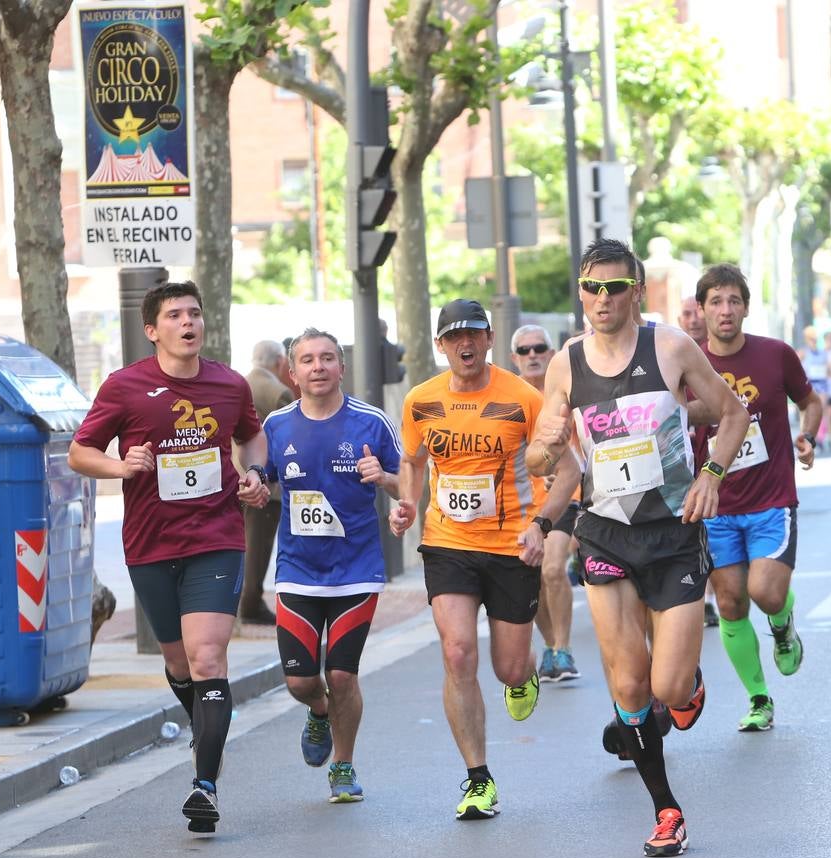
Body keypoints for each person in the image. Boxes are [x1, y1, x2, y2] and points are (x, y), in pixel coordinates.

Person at [527, 239, 749, 857]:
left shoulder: (671, 348)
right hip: (605, 533)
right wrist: (544, 449)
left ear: (635, 290)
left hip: (673, 535)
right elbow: (546, 448)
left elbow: (733, 415)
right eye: (592, 288)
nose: (603, 299)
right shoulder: (567, 364)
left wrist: (711, 476)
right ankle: (666, 809)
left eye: (615, 287)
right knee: (629, 688)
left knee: (669, 689)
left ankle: (689, 687)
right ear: (580, 292)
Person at [69, 281, 271, 834]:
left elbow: (252, 438)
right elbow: (79, 452)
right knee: (180, 665)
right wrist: (122, 467)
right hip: (151, 545)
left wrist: (256, 474)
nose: (189, 323)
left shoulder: (229, 384)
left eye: (195, 314)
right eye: (176, 315)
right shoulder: (125, 387)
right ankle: (207, 730)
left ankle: (204, 784)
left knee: (208, 658)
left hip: (218, 537)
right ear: (153, 329)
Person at [388, 299, 578, 822]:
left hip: (513, 545)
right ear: (440, 345)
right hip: (448, 542)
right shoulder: (422, 400)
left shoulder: (522, 397)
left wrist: (541, 525)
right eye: (453, 337)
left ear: (490, 338)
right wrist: (407, 502)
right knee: (457, 653)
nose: (464, 344)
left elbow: (569, 469)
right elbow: (412, 460)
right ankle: (478, 778)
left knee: (508, 667)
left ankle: (526, 672)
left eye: (473, 334)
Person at [262, 328, 401, 803]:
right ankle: (318, 712)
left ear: (342, 367)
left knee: (343, 674)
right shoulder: (276, 426)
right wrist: (254, 487)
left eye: (326, 358)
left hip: (356, 570)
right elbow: (259, 478)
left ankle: (343, 764)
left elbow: (407, 482)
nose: (317, 367)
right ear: (293, 371)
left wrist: (385, 479)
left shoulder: (371, 421)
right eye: (307, 360)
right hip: (298, 569)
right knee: (302, 680)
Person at [691, 265, 822, 733]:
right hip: (717, 509)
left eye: (733, 301)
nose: (726, 310)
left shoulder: (775, 355)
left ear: (745, 307)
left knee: (764, 593)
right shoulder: (689, 365)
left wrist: (807, 436)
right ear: (702, 309)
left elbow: (810, 402)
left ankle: (783, 624)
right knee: (730, 605)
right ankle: (758, 697)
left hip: (771, 499)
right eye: (716, 301)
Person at [510, 324, 581, 682]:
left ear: (551, 353)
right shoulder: (508, 399)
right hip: (523, 507)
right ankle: (552, 648)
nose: (533, 355)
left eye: (539, 347)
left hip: (567, 500)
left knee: (553, 569)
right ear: (514, 359)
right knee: (533, 578)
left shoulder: (568, 394)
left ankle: (564, 650)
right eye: (525, 351)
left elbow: (584, 450)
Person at [239, 340, 295, 625]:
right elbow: (286, 438)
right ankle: (249, 602)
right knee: (258, 546)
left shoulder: (240, 384)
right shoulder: (278, 392)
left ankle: (243, 601)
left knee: (242, 543)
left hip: (237, 477)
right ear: (279, 362)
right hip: (265, 483)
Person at [677, 295, 720, 627]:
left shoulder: (714, 356)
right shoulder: (669, 354)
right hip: (685, 464)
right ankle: (704, 598)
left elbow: (732, 408)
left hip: (723, 458)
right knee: (696, 528)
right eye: (686, 314)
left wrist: (678, 416)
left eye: (697, 313)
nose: (692, 320)